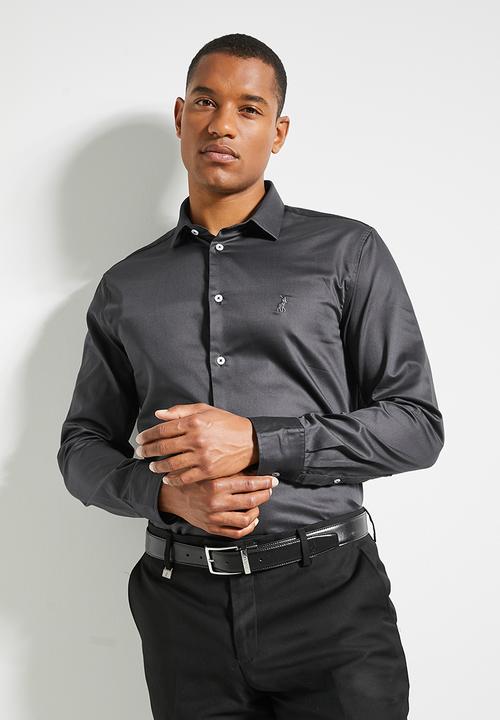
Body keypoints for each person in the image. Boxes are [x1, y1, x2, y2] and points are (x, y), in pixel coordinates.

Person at [57, 32, 445, 720]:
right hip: (182, 610)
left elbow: (417, 427)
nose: (222, 124)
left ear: (279, 132)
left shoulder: (347, 251)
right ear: (182, 117)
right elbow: (82, 448)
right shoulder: (125, 286)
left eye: (249, 108)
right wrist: (166, 497)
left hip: (330, 602)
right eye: (206, 102)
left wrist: (258, 441)